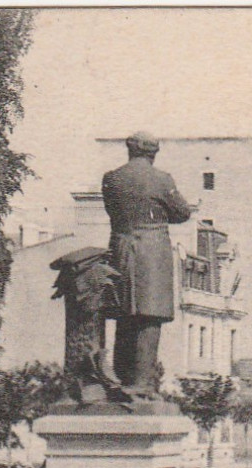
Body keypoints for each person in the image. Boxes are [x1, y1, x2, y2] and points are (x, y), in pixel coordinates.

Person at [100, 132, 194, 398]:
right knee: (150, 316)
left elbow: (112, 210)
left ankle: (121, 377)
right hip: (152, 251)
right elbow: (183, 212)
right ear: (153, 153)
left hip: (120, 247)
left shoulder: (112, 178)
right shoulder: (162, 180)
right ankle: (142, 382)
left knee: (124, 313)